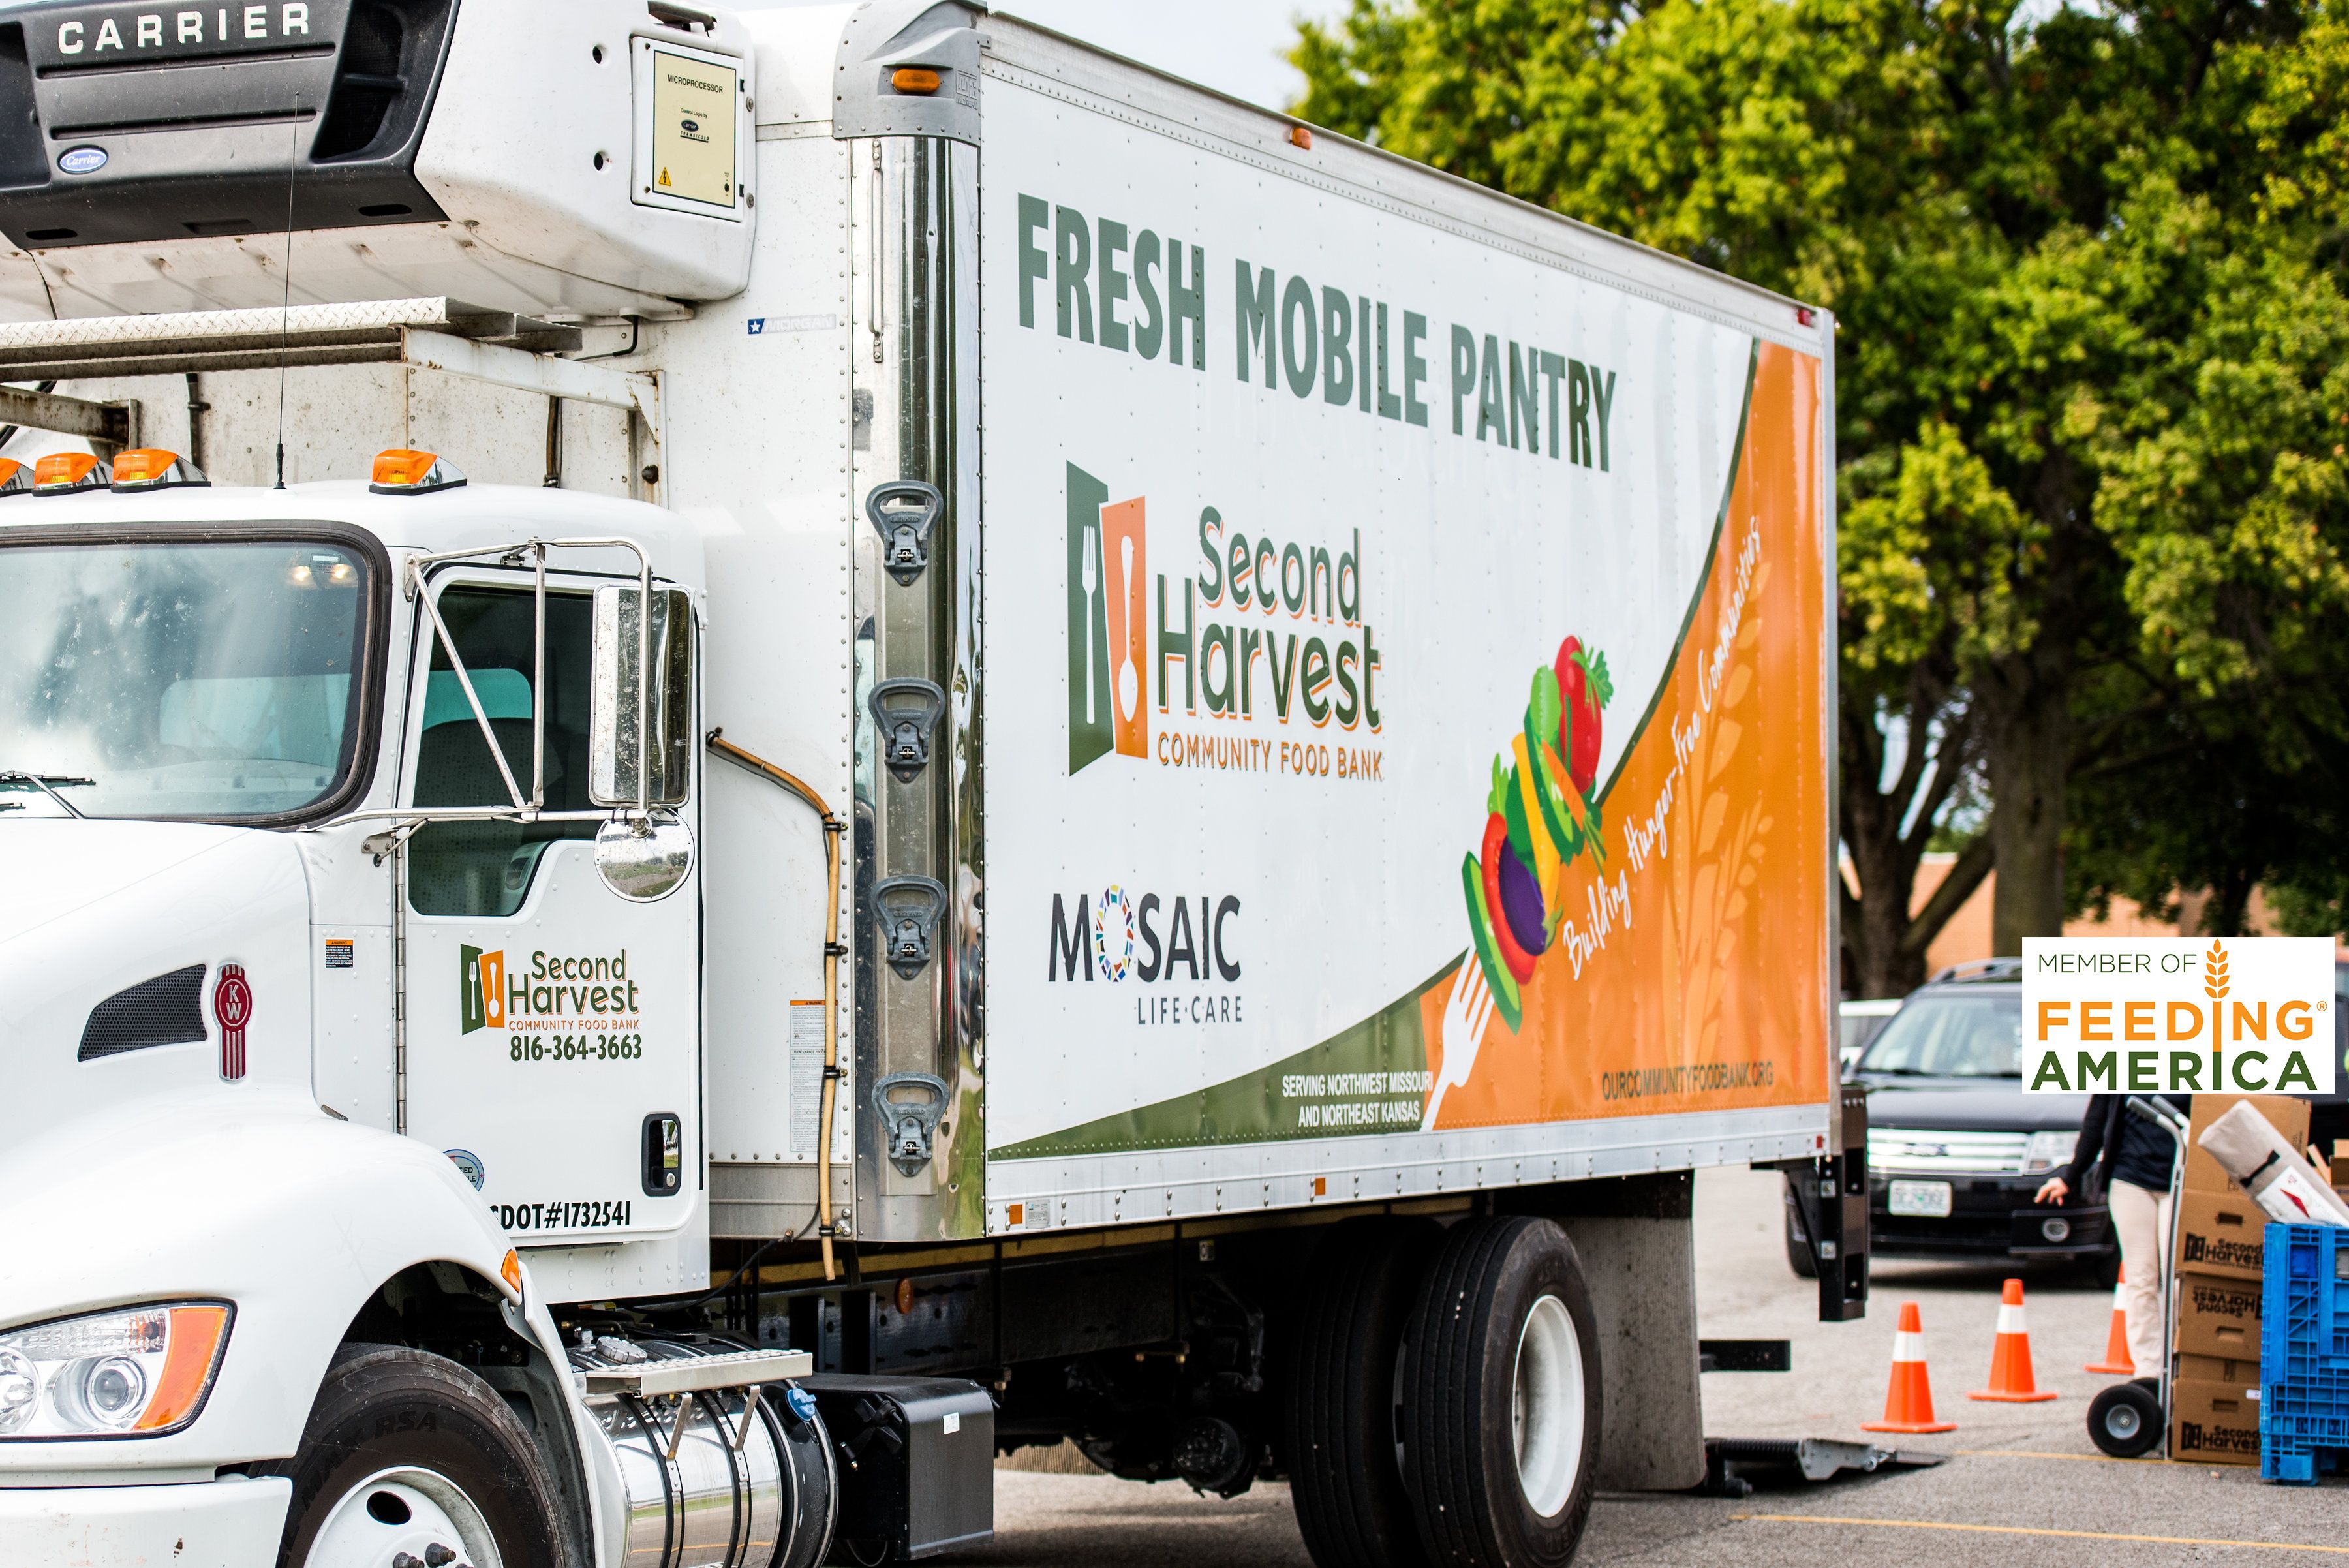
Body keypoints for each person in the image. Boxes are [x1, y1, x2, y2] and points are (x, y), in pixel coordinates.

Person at [2034, 1092, 2190, 1379]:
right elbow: (2096, 1120)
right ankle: (2149, 1371)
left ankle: (2184, 1363)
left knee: (2180, 1280)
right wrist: (2070, 1174)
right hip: (2131, 1180)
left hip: (2182, 1178)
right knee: (2140, 1279)